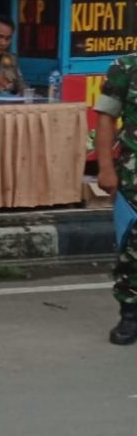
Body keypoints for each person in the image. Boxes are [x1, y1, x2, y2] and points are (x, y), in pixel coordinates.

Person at [94, 55, 137, 345]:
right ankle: (130, 314)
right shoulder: (126, 68)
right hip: (134, 176)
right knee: (132, 249)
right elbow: (106, 117)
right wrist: (106, 167)